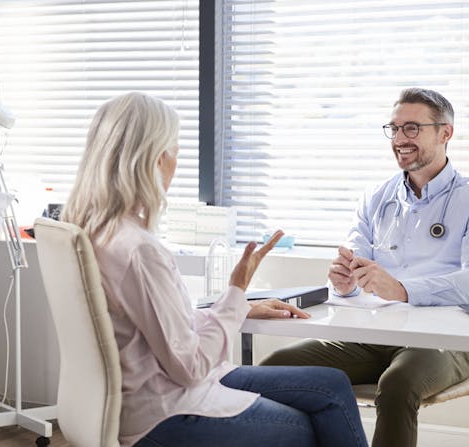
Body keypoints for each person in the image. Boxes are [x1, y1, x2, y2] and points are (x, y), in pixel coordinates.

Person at [63, 92, 368, 447]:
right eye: (174, 150)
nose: (175, 162)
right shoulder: (140, 250)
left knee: (332, 386)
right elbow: (190, 366)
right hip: (166, 411)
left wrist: (239, 308)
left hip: (141, 397)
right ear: (155, 158)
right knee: (307, 427)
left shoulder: (92, 231)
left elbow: (149, 326)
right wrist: (237, 289)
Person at [261, 88, 469, 447]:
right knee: (273, 370)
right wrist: (345, 282)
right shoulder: (375, 197)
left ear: (445, 133)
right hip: (372, 337)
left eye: (411, 128)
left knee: (397, 386)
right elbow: (355, 274)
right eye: (393, 129)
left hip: (444, 341)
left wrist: (404, 290)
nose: (399, 139)